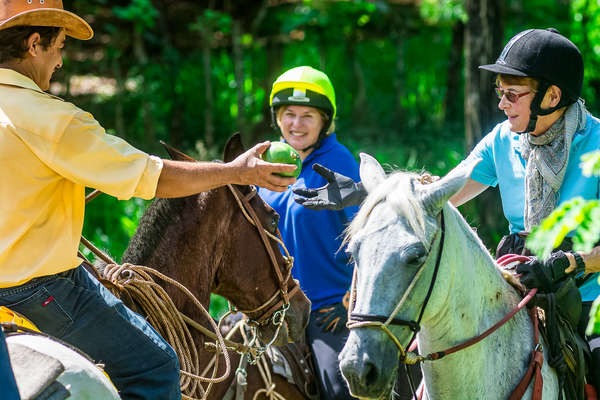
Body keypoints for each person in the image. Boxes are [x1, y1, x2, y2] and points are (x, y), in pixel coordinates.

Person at [0, 2, 296, 399]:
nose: (61, 61)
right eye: (60, 47)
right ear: (35, 44)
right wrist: (235, 173)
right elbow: (152, 175)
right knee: (155, 365)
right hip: (40, 288)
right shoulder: (54, 120)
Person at [294, 28, 600, 394]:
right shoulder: (504, 138)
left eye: (512, 94)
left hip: (585, 296)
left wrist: (569, 263)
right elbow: (440, 194)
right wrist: (368, 194)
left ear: (552, 95)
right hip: (518, 277)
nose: (502, 104)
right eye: (499, 92)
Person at [257, 66, 360, 399]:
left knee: (340, 388)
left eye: (307, 116)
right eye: (289, 114)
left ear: (324, 122)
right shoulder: (268, 163)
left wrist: (350, 301)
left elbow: (372, 237)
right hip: (273, 309)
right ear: (277, 118)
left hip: (327, 311)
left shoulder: (339, 163)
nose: (296, 125)